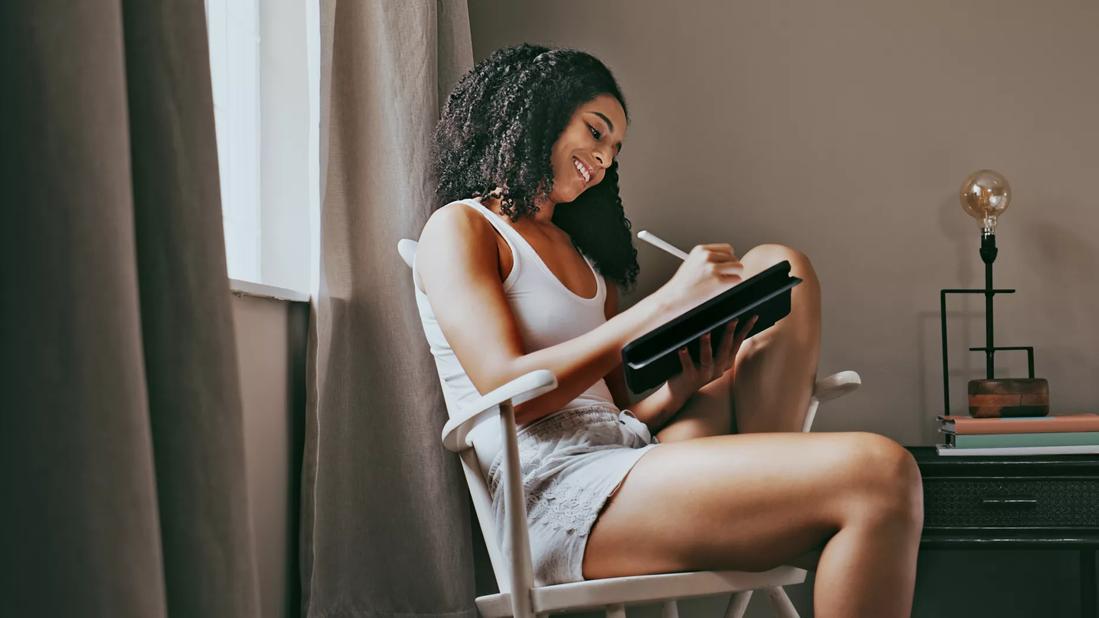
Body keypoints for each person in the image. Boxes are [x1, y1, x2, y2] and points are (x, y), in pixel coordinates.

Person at [414, 43, 923, 617]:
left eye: (615, 149)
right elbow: (511, 391)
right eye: (596, 132)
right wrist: (666, 302)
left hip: (629, 455)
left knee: (780, 265)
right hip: (558, 494)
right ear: (540, 113)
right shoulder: (460, 226)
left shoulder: (583, 259)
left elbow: (615, 410)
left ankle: (779, 477)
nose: (604, 159)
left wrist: (686, 386)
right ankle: (794, 493)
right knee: (881, 471)